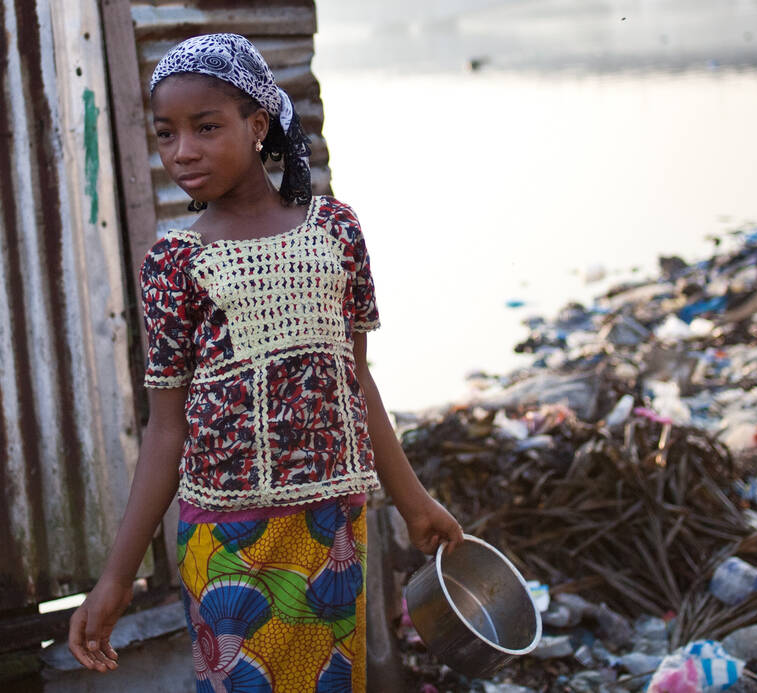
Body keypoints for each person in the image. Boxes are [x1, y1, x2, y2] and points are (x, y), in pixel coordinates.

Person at [66, 33, 463, 691]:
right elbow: (166, 428)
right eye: (166, 134)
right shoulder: (175, 263)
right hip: (228, 537)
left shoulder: (336, 232)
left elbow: (354, 379)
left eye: (206, 127)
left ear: (257, 125)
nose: (182, 150)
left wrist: (413, 499)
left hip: (331, 526)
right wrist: (116, 578)